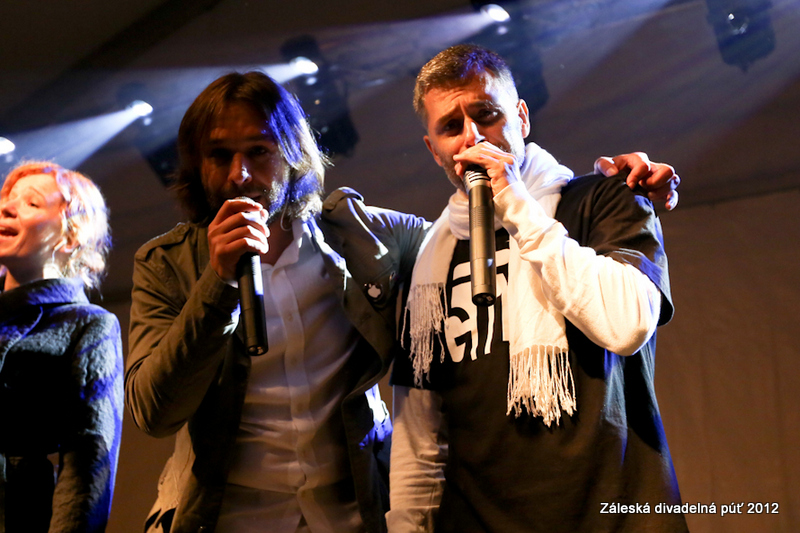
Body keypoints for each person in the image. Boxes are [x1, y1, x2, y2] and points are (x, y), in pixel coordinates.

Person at [124, 70, 679, 533]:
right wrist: (218, 286)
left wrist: (627, 187)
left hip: (350, 515)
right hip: (225, 518)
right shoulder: (166, 265)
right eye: (219, 155)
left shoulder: (371, 240)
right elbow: (154, 412)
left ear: (292, 154)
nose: (239, 174)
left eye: (259, 151)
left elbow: (494, 227)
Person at [388, 44, 688, 532]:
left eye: (487, 115)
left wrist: (517, 205)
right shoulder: (427, 259)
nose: (472, 137)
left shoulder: (605, 198)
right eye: (451, 127)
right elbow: (419, 437)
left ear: (522, 118)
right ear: (433, 148)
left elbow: (628, 324)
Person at [0, 161, 123, 532]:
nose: (6, 207)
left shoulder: (87, 323)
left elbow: (89, 458)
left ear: (70, 237)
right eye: (6, 198)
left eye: (32, 203)